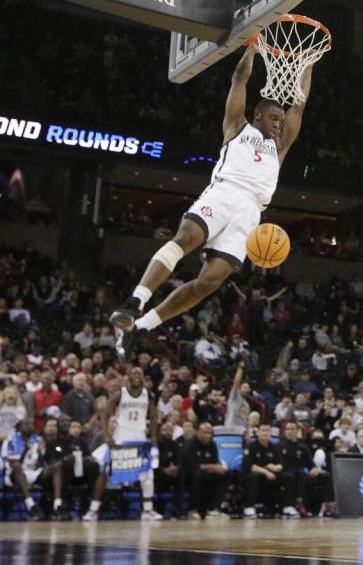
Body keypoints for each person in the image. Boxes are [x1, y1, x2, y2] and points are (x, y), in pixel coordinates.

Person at [111, 46, 316, 360]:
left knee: (209, 282)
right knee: (185, 238)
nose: (278, 123)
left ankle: (140, 327)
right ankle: (135, 301)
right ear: (257, 114)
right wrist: (251, 46)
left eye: (280, 119)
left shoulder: (280, 146)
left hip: (249, 213)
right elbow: (239, 79)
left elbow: (299, 105)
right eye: (273, 117)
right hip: (223, 192)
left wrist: (309, 62)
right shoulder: (237, 127)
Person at [84, 367, 162, 521]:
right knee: (105, 471)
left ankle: (147, 510)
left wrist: (153, 435)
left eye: (139, 374)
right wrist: (107, 436)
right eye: (133, 373)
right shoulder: (120, 394)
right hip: (121, 436)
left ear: (143, 377)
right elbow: (105, 415)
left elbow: (153, 418)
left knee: (147, 474)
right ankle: (93, 510)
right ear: (128, 377)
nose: (136, 376)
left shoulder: (149, 395)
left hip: (139, 436)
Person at [181, 421, 231, 519]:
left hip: (206, 473)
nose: (208, 436)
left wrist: (219, 468)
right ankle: (193, 510)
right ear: (198, 432)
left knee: (225, 475)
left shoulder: (212, 444)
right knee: (196, 475)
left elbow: (215, 461)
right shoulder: (189, 445)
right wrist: (213, 467)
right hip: (188, 474)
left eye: (210, 433)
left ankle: (214, 509)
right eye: (205, 433)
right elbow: (193, 465)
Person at [2, 419, 49, 520]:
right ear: (19, 427)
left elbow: (40, 465)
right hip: (13, 475)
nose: (30, 426)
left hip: (32, 473)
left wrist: (41, 453)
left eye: (32, 423)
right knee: (17, 467)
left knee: (53, 469)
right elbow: (13, 463)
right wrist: (25, 451)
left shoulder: (38, 440)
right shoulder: (10, 440)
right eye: (26, 423)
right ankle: (30, 504)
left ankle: (56, 506)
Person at [242, 422, 285, 518]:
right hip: (252, 473)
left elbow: (281, 464)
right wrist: (266, 471)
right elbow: (249, 466)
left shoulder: (274, 447)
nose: (265, 433)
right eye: (263, 430)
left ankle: (285, 507)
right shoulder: (251, 446)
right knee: (253, 476)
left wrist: (275, 467)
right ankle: (249, 507)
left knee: (286, 476)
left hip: (268, 474)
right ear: (258, 432)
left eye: (267, 431)